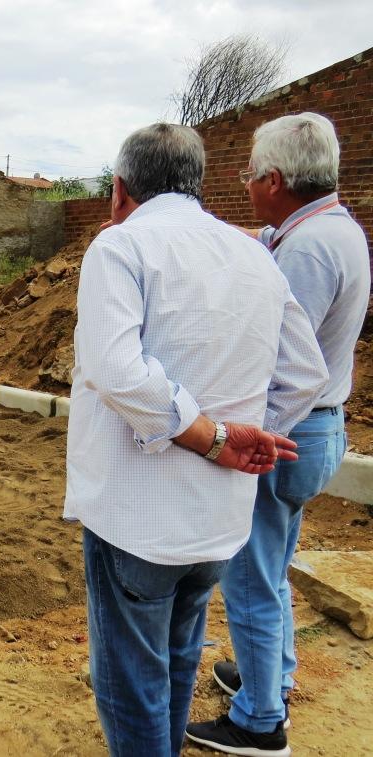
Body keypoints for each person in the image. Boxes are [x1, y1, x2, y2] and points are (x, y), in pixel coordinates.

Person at [65, 122, 328, 757]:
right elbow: (305, 374)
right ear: (197, 184)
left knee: (132, 683)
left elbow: (117, 371)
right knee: (180, 653)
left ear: (119, 190)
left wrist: (213, 438)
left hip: (136, 518)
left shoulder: (120, 247)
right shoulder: (253, 255)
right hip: (220, 518)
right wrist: (253, 437)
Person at [186, 113, 370, 756]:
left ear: (274, 180)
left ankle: (260, 720)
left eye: (249, 175)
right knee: (273, 565)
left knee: (250, 581)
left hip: (290, 431)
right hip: (318, 427)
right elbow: (260, 239)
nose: (245, 185)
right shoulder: (328, 229)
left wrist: (247, 439)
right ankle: (273, 675)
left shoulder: (308, 253)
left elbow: (285, 361)